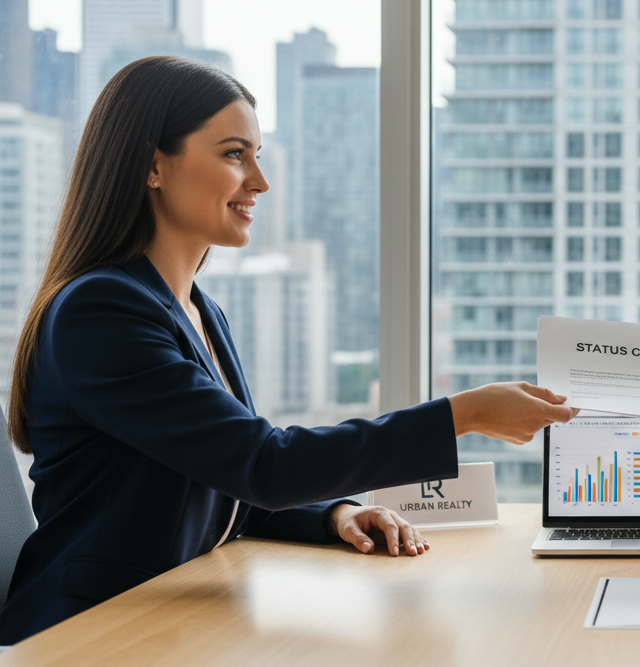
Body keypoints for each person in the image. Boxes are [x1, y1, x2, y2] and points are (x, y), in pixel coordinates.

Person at [0, 56, 577, 645]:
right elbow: (263, 465)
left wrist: (336, 514)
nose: (260, 180)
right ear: (153, 165)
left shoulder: (198, 311)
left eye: (256, 153)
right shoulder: (100, 313)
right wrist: (466, 414)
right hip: (87, 632)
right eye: (233, 154)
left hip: (172, 618)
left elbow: (222, 477)